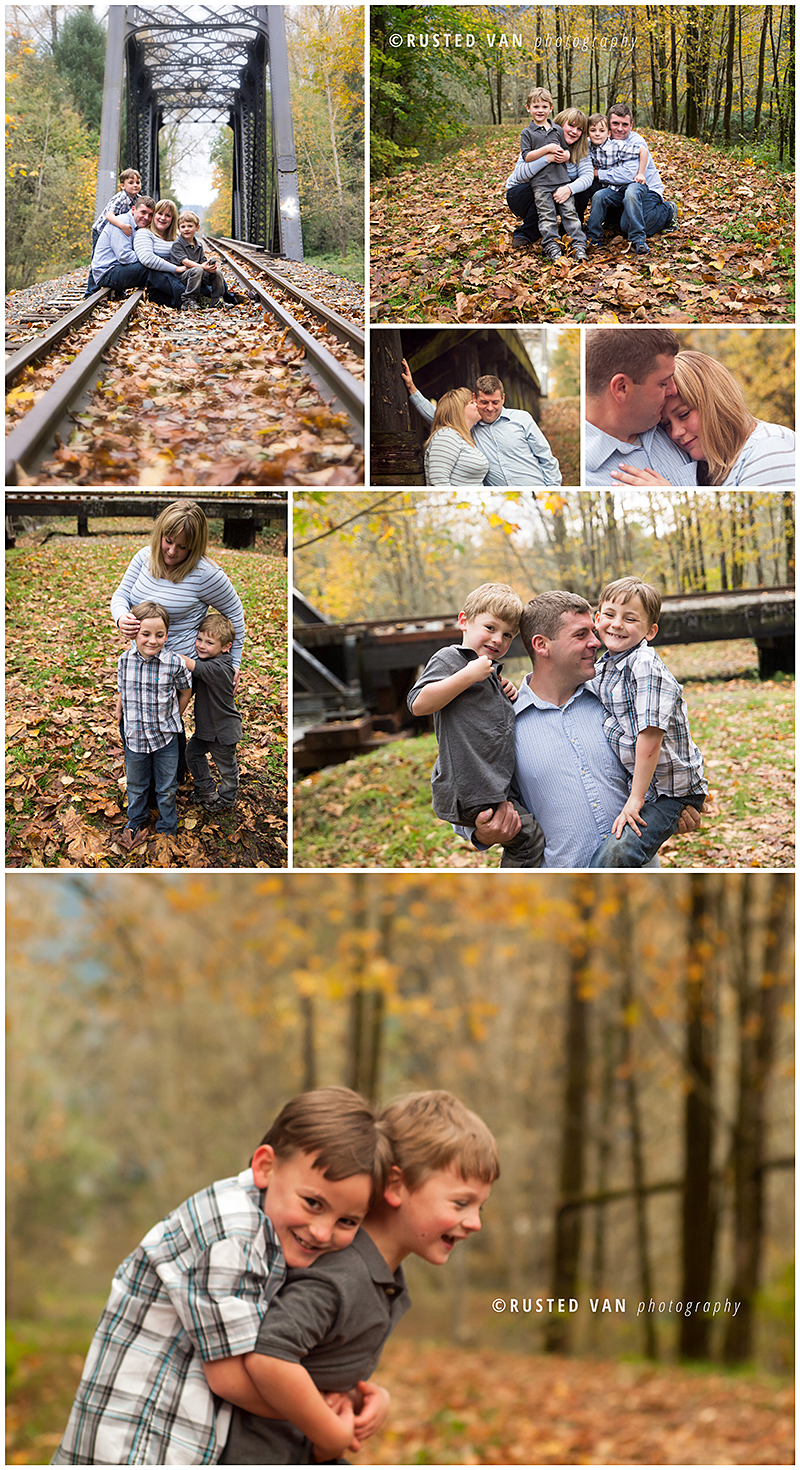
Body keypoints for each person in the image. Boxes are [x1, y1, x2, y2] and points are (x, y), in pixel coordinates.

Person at [52, 1088, 389, 1466]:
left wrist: (347, 1396)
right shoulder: (230, 1232)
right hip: (137, 1444)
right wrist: (324, 1422)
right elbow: (230, 1379)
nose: (323, 1233)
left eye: (347, 1221)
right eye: (313, 1203)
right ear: (266, 1167)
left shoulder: (271, 1230)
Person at [218, 1090, 500, 1465]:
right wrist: (330, 1433)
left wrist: (361, 1395)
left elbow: (317, 1365)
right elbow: (271, 1356)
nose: (476, 1222)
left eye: (481, 1206)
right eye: (461, 1203)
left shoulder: (379, 1276)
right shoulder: (340, 1275)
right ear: (396, 1185)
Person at [463, 591, 702, 869]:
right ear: (541, 645)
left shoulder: (616, 701)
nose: (596, 642)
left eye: (593, 630)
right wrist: (480, 831)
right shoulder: (504, 721)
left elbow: (666, 760)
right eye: (581, 635)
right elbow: (465, 784)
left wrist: (678, 810)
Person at [407, 583, 544, 867]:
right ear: (464, 621)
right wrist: (468, 675)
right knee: (528, 839)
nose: (498, 639)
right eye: (490, 628)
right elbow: (418, 703)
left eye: (507, 635)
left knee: (529, 832)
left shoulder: (488, 671)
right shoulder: (452, 659)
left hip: (493, 783)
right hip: (471, 786)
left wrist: (506, 693)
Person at [110, 499, 245, 783]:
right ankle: (142, 777)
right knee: (131, 717)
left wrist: (233, 663)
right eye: (168, 541)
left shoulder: (207, 575)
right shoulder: (143, 557)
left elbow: (235, 613)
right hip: (140, 658)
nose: (172, 551)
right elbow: (120, 595)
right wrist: (121, 617)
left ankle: (170, 778)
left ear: (195, 546)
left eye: (182, 546)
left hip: (178, 666)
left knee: (165, 723)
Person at [586, 577, 707, 867]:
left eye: (630, 619)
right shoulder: (605, 665)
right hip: (649, 788)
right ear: (597, 617)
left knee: (616, 855)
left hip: (671, 793)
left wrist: (635, 799)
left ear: (650, 631)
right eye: (610, 615)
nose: (617, 624)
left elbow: (650, 737)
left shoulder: (644, 665)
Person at [610, 349, 796, 489]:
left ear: (715, 402)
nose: (676, 433)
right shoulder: (709, 465)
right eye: (666, 424)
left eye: (683, 414)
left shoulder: (768, 453)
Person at [403, 363, 562, 487]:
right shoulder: (469, 428)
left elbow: (546, 459)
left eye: (495, 402)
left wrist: (553, 489)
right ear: (475, 398)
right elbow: (441, 415)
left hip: (536, 487)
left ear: (503, 399)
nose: (490, 408)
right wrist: (412, 388)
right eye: (484, 402)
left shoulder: (522, 418)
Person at [114, 601, 192, 846]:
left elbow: (186, 691)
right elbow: (122, 691)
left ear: (166, 635)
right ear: (134, 633)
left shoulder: (174, 663)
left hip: (165, 739)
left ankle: (168, 826)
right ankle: (136, 819)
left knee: (167, 787)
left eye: (159, 635)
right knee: (136, 785)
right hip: (135, 738)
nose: (152, 640)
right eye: (145, 634)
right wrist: (118, 713)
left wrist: (175, 716)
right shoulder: (125, 661)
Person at [585, 327, 698, 486]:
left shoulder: (672, 430)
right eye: (663, 383)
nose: (673, 390)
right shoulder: (588, 477)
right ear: (622, 388)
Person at [586, 103, 678, 256]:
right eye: (615, 123)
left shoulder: (636, 142)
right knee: (599, 194)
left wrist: (596, 173)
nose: (620, 129)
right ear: (608, 124)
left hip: (645, 189)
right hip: (619, 190)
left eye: (625, 124)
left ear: (631, 125)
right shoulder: (601, 139)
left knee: (628, 227)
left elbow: (629, 175)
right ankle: (600, 231)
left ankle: (668, 211)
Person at [180, 613, 243, 811]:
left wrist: (166, 652)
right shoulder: (210, 662)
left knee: (227, 768)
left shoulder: (220, 667)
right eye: (199, 639)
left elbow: (191, 665)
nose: (201, 645)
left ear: (226, 647)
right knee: (192, 754)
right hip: (207, 728)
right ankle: (205, 788)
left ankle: (227, 798)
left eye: (209, 642)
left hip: (223, 730)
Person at [517, 87, 587, 262]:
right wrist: (546, 151)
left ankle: (578, 243)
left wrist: (566, 156)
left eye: (544, 107)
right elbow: (526, 157)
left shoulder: (556, 130)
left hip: (561, 180)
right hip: (541, 184)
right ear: (528, 109)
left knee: (570, 213)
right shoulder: (527, 133)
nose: (540, 111)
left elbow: (566, 151)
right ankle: (551, 245)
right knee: (546, 215)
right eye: (536, 107)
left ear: (551, 108)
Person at [507, 109, 592, 246]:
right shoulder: (537, 139)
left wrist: (569, 189)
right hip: (521, 194)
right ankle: (527, 232)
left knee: (581, 190)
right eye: (571, 125)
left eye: (579, 129)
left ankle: (569, 230)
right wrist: (547, 158)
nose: (574, 131)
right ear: (558, 126)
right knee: (543, 187)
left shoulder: (580, 149)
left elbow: (587, 176)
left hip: (559, 194)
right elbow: (519, 175)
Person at [85, 167, 141, 295]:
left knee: (118, 260)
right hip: (102, 232)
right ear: (122, 186)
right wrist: (123, 226)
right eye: (131, 182)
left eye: (138, 182)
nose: (135, 185)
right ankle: (90, 292)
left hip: (118, 233)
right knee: (97, 261)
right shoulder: (120, 198)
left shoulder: (138, 200)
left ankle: (118, 289)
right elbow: (109, 216)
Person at [87, 196, 153, 299]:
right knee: (150, 268)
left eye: (150, 215)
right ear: (133, 209)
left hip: (115, 269)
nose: (146, 218)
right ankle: (178, 296)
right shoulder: (123, 222)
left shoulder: (136, 225)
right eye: (143, 212)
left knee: (156, 266)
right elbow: (124, 256)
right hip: (106, 273)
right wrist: (147, 257)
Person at [423, 388, 490, 486]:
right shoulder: (446, 435)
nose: (477, 405)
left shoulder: (462, 438)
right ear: (459, 409)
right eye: (472, 402)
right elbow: (438, 480)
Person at [132, 197, 187, 308]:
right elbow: (147, 259)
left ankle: (223, 297)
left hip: (177, 276)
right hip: (158, 281)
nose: (163, 218)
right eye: (160, 213)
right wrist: (176, 268)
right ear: (154, 215)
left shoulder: (176, 237)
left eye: (168, 215)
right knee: (179, 289)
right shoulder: (144, 233)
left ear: (172, 219)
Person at [170, 210, 227, 310]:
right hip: (183, 276)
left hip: (197, 273)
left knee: (217, 272)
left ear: (197, 228)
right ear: (179, 229)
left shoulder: (199, 245)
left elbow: (202, 261)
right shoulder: (177, 244)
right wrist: (202, 267)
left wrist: (209, 266)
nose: (186, 229)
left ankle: (217, 299)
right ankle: (188, 300)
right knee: (198, 270)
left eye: (190, 226)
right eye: (183, 227)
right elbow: (185, 261)